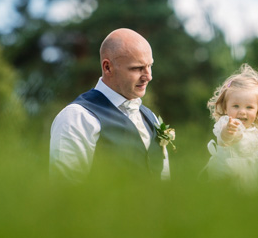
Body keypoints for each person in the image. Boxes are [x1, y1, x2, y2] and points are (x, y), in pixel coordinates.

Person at [49, 28, 170, 183]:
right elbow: (65, 191)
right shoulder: (77, 117)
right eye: (137, 68)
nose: (149, 76)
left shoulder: (152, 118)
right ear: (108, 67)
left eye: (150, 65)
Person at [203, 64, 258, 190]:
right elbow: (223, 138)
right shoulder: (227, 123)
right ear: (225, 107)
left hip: (252, 170)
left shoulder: (254, 129)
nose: (242, 112)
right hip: (229, 170)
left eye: (249, 107)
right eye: (236, 106)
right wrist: (228, 132)